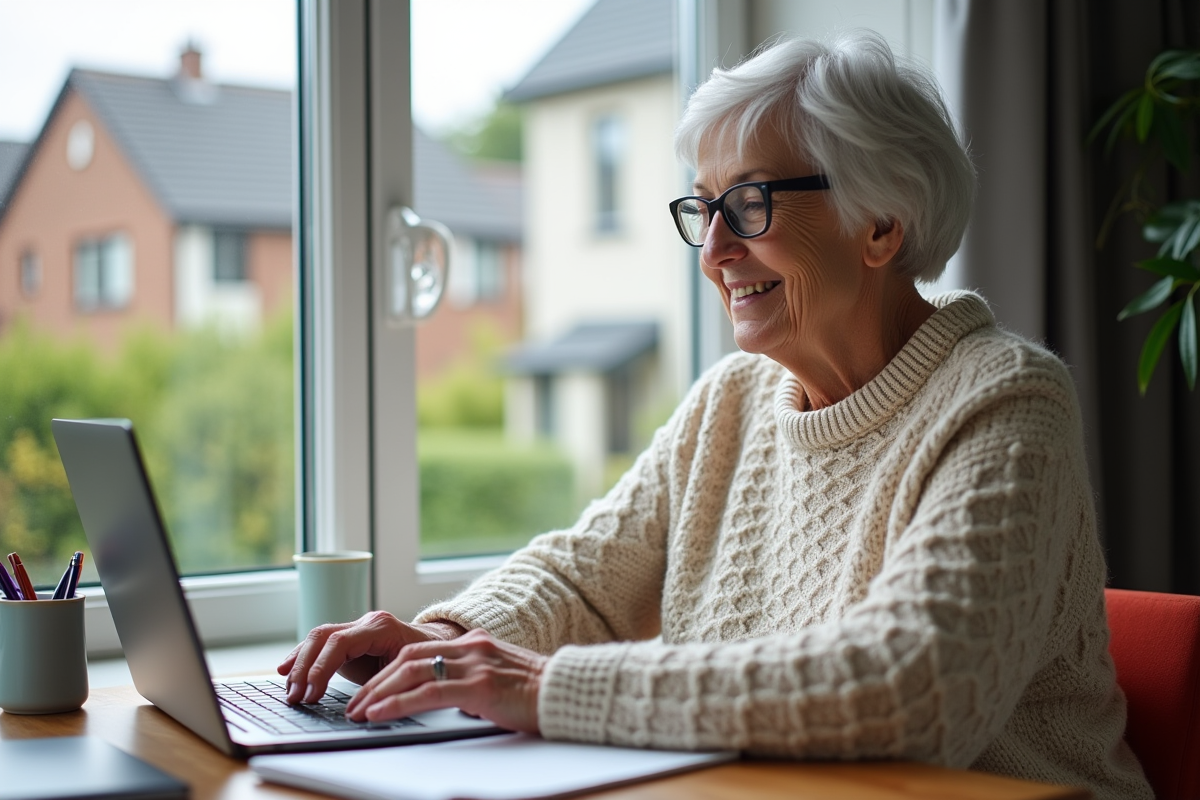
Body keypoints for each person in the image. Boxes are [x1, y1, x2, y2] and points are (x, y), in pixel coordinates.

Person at [280, 30, 1151, 800]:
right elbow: (584, 579)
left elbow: (913, 688)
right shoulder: (730, 402)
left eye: (751, 204)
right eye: (705, 209)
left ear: (881, 223)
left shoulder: (1005, 399)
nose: (718, 251)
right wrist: (439, 642)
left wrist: (547, 687)